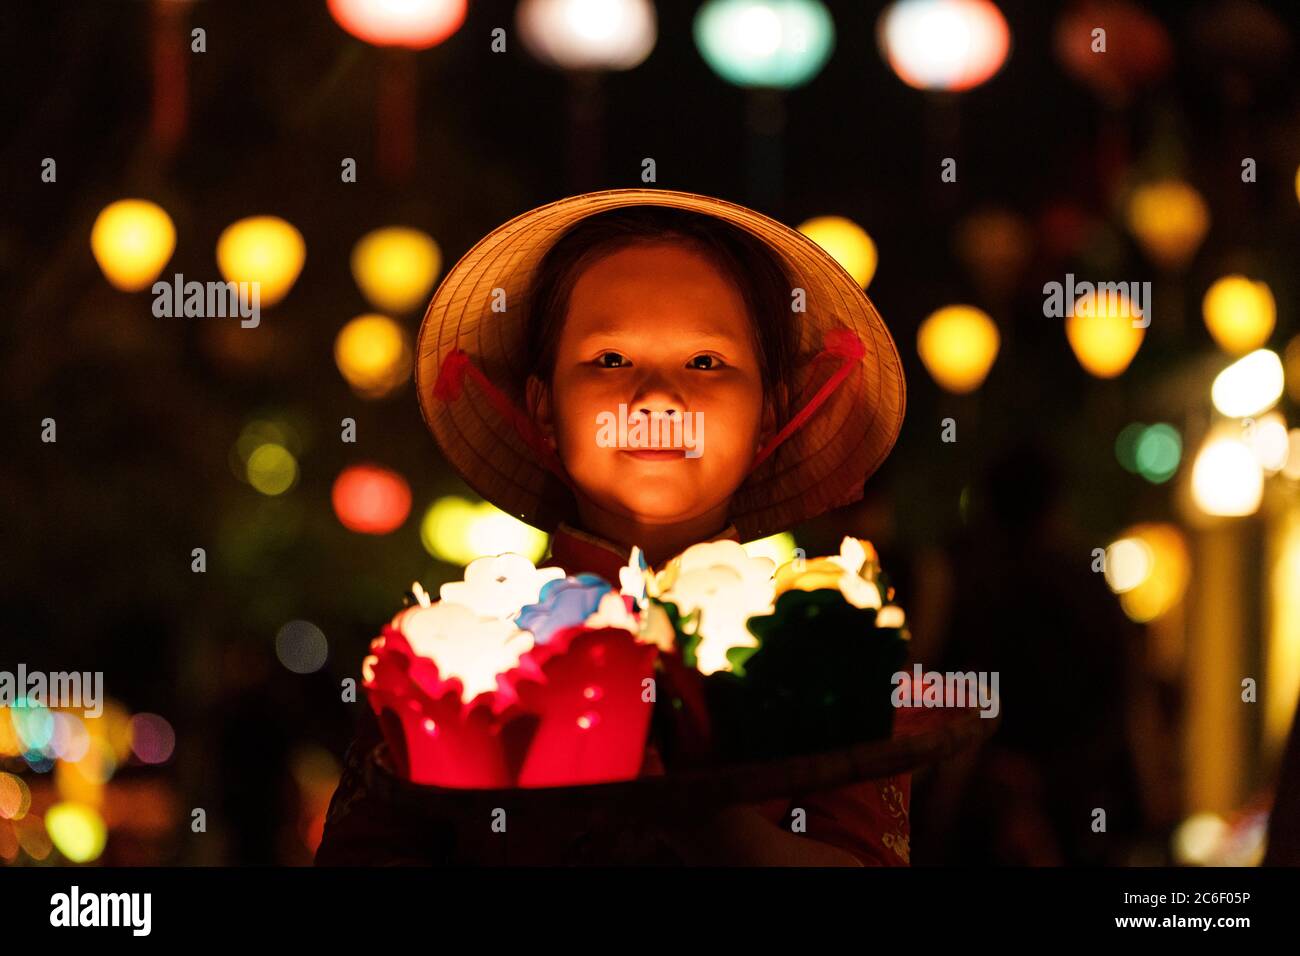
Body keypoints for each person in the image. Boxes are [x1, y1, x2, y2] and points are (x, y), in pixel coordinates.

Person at [315, 189, 910, 866]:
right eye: (610, 360)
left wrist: (710, 818)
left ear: (768, 416)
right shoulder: (448, 653)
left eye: (707, 362)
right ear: (544, 409)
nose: (656, 398)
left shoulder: (828, 649)